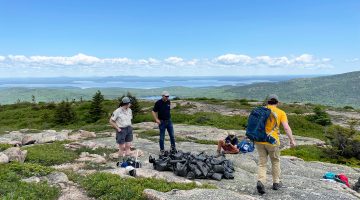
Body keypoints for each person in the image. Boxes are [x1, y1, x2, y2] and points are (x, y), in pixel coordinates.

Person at [256, 94, 296, 194]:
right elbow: (286, 128)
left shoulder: (260, 111)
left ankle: (261, 181)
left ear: (267, 102)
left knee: (262, 163)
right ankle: (276, 183)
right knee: (275, 161)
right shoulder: (280, 112)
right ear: (277, 103)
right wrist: (292, 140)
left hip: (259, 140)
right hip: (272, 141)